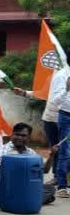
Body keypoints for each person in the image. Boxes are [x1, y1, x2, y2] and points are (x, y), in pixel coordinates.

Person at [0, 122, 57, 205]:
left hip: (24, 186)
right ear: (12, 135)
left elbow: (44, 170)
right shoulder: (0, 150)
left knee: (50, 189)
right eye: (17, 134)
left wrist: (51, 155)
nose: (19, 138)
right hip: (4, 186)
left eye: (23, 136)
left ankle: (21, 200)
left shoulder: (31, 153)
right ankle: (29, 200)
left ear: (29, 138)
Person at [47, 66, 70, 198]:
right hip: (66, 117)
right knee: (65, 152)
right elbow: (54, 101)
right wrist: (67, 89)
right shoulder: (61, 75)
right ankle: (62, 187)